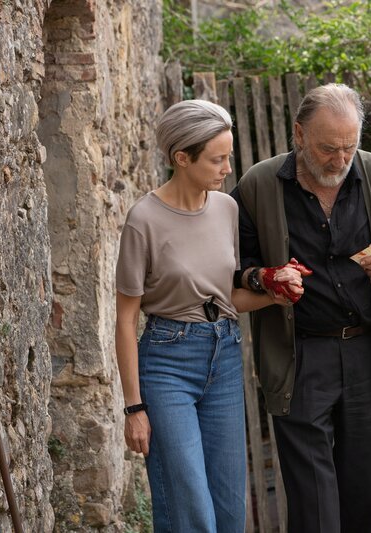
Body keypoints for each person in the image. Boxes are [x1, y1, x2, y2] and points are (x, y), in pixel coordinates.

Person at [231, 83, 371, 533]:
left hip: (368, 357)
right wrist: (266, 278)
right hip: (299, 358)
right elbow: (233, 270)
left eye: (349, 148)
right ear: (299, 134)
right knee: (313, 510)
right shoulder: (258, 185)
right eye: (328, 148)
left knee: (363, 504)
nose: (339, 160)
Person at [114, 99, 306, 532]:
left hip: (225, 358)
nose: (227, 169)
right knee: (191, 508)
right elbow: (125, 319)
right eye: (217, 159)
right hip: (166, 365)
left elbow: (225, 297)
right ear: (182, 157)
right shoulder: (143, 220)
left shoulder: (226, 209)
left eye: (229, 157)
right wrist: (133, 407)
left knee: (230, 508)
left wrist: (276, 294)